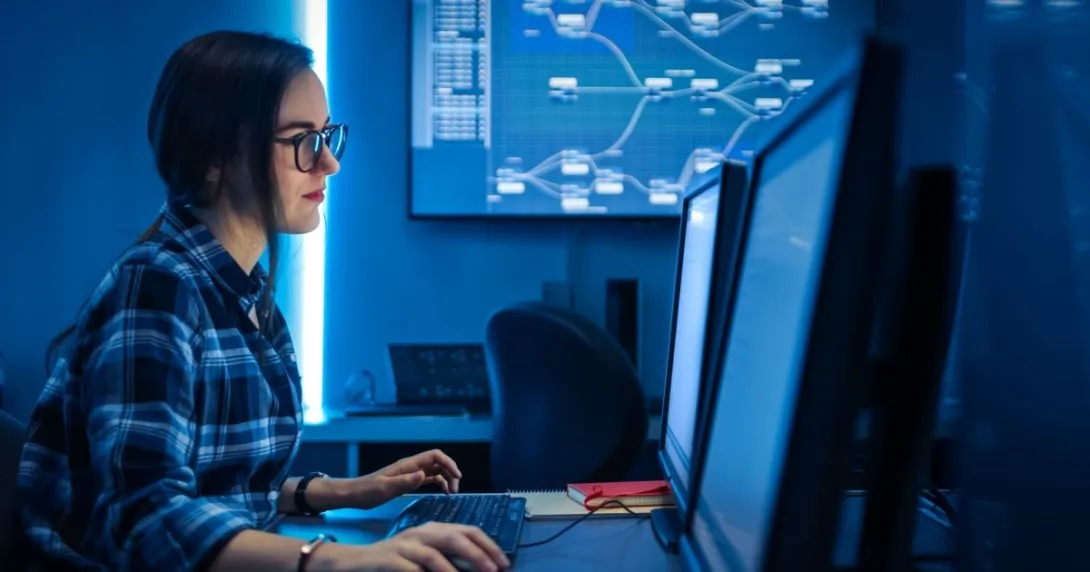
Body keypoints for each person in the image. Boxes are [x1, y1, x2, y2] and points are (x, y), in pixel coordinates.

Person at [16, 30, 510, 572]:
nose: (328, 163)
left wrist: (348, 491)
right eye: (302, 139)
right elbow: (146, 521)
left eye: (327, 135)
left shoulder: (245, 295)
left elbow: (217, 488)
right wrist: (333, 561)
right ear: (214, 158)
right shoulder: (156, 287)